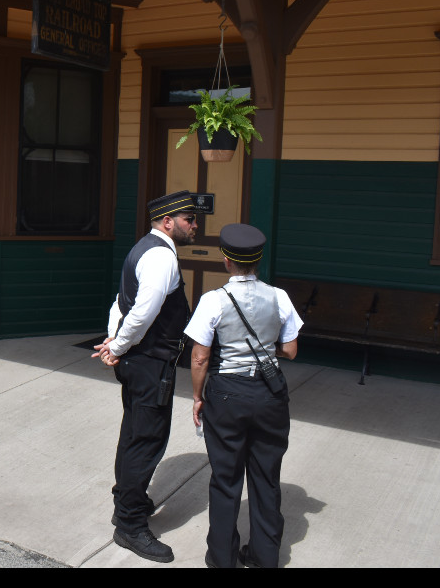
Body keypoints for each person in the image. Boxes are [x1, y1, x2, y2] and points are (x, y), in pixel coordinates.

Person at [185, 223, 303, 568]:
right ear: (258, 259)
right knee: (266, 479)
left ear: (226, 261)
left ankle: (222, 558)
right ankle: (265, 557)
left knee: (225, 479)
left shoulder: (212, 300)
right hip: (269, 393)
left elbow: (200, 356)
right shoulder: (279, 296)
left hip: (227, 393)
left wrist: (197, 397)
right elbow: (292, 350)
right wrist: (264, 351)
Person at [93, 189, 199, 563]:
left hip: (138, 362)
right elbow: (141, 312)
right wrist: (117, 347)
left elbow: (119, 302)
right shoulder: (161, 258)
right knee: (147, 441)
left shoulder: (144, 249)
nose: (195, 226)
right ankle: (130, 525)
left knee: (134, 433)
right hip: (150, 363)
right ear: (168, 222)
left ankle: (128, 499)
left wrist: (112, 340)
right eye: (189, 220)